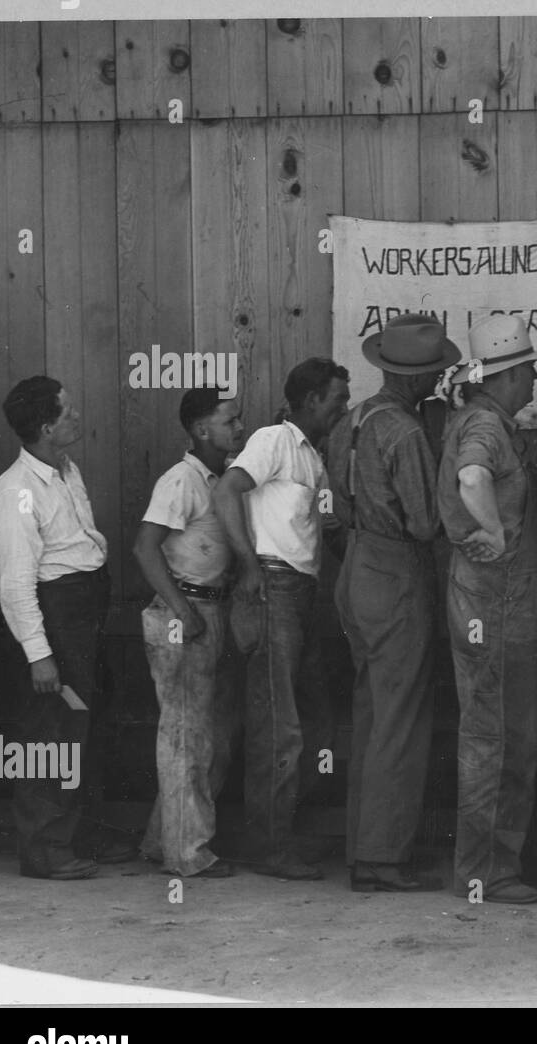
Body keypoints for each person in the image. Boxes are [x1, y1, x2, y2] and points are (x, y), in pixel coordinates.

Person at [327, 315, 457, 893]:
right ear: (418, 375)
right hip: (396, 568)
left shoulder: (351, 420)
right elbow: (426, 522)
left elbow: (336, 503)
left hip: (355, 564)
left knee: (372, 711)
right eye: (434, 371)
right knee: (400, 717)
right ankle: (383, 857)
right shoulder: (404, 432)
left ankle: (364, 846)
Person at [213, 358, 350, 880]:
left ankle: (274, 833)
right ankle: (268, 845)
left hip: (303, 591)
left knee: (305, 720)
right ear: (311, 399)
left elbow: (325, 529)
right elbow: (226, 492)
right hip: (272, 586)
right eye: (337, 398)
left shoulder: (313, 458)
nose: (342, 407)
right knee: (279, 724)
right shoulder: (274, 440)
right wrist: (248, 567)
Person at [0, 378, 131, 879]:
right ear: (47, 427)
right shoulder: (16, 492)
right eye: (67, 412)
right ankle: (45, 847)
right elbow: (15, 584)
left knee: (89, 724)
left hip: (85, 609)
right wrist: (39, 653)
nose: (76, 416)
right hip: (56, 618)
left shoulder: (65, 470)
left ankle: (82, 834)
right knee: (52, 731)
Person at [437, 314, 537, 905]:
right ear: (507, 375)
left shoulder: (478, 417)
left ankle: (488, 865)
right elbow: (471, 477)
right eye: (530, 368)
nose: (536, 377)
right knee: (498, 736)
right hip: (496, 600)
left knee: (497, 732)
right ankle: (488, 871)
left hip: (483, 597)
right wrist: (494, 533)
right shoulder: (485, 424)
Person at [133, 389, 245, 879]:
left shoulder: (219, 479)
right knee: (185, 736)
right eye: (230, 422)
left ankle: (164, 841)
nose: (238, 429)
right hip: (184, 612)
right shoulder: (181, 480)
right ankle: (187, 853)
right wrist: (181, 608)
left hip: (210, 609)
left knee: (206, 735)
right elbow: (144, 547)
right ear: (202, 431)